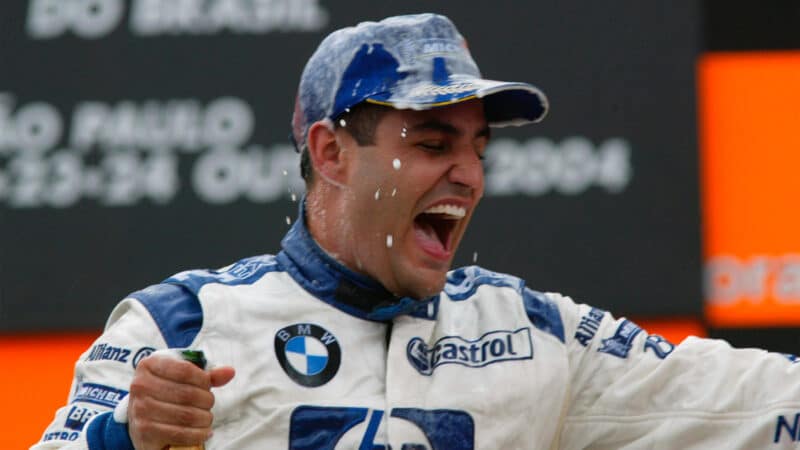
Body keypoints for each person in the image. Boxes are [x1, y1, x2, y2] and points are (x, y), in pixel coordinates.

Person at [33, 13, 800, 450]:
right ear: (331, 154)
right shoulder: (183, 325)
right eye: (432, 145)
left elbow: (761, 406)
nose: (468, 173)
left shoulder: (538, 335)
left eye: (478, 148)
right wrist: (123, 437)